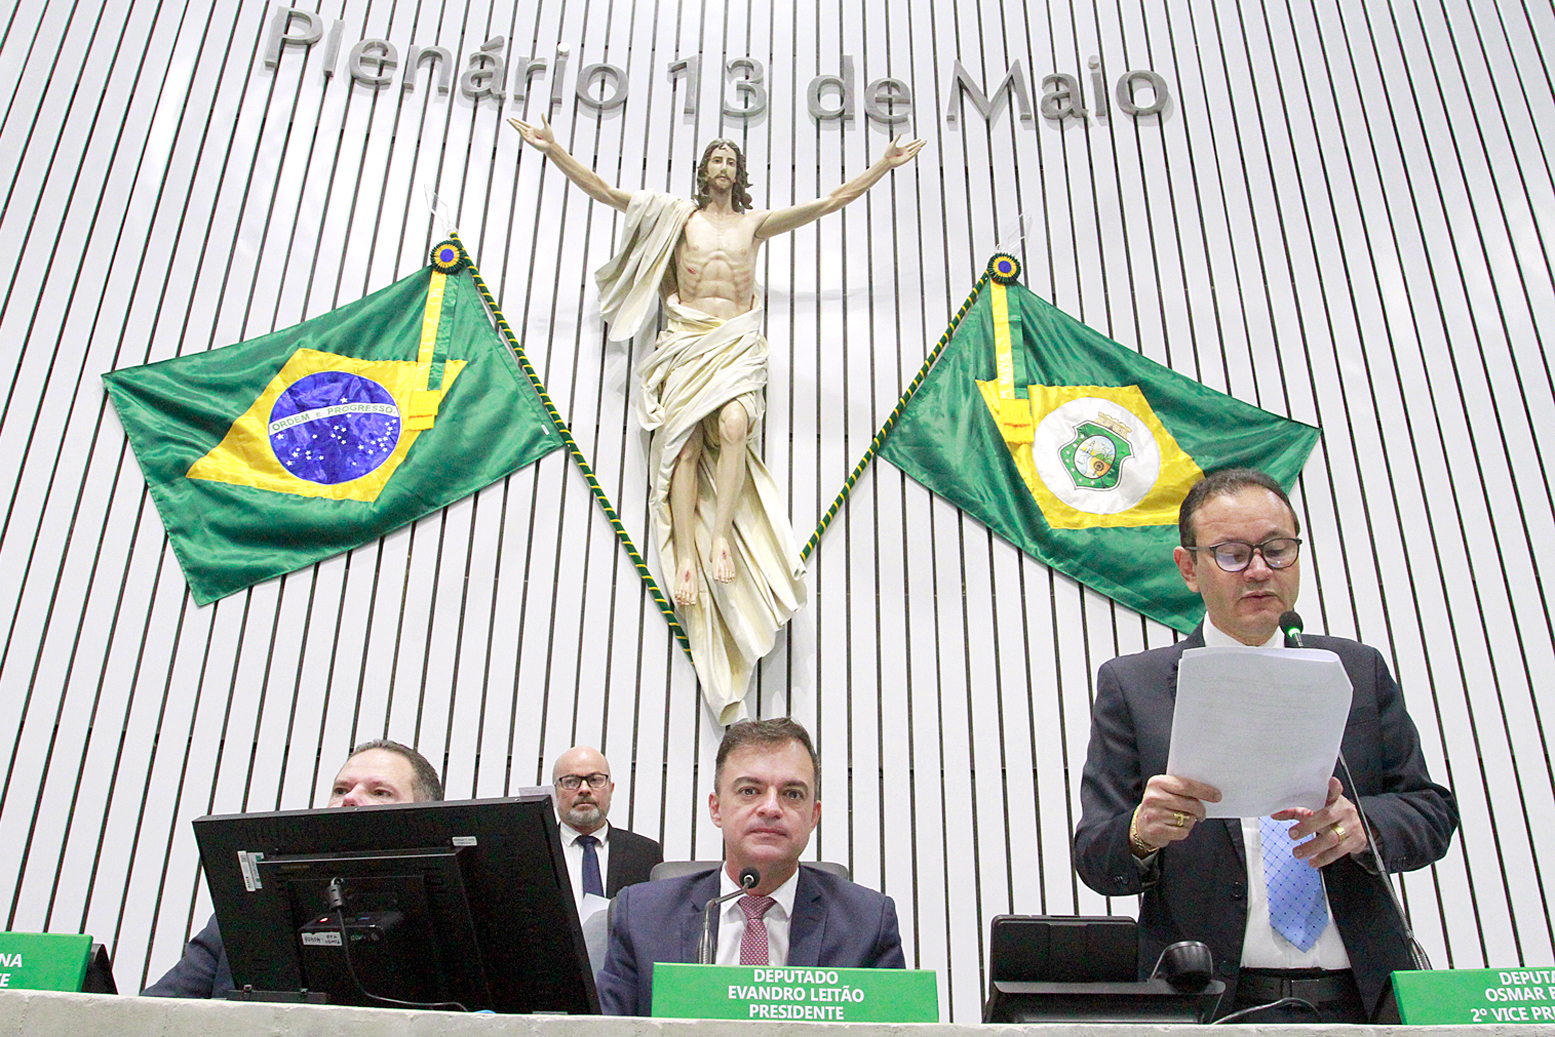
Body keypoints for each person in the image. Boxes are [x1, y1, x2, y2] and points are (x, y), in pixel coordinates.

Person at [509, 118, 923, 723]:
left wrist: (882, 165)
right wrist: (555, 151)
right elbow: (602, 190)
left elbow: (829, 202)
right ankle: (683, 554)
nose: (723, 168)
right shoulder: (676, 217)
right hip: (685, 336)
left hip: (734, 339)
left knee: (733, 428)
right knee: (679, 448)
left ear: (740, 173)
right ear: (703, 171)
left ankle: (722, 533)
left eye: (732, 161)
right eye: (716, 160)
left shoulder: (754, 224)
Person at [1073, 468, 1458, 1023]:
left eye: (1276, 550)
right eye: (1232, 554)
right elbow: (1095, 855)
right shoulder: (1135, 687)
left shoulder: (1356, 669)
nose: (1258, 570)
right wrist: (1140, 834)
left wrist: (1364, 828)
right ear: (1189, 568)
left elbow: (1431, 811)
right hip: (1209, 1000)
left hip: (1364, 995)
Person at [596, 718, 903, 1015]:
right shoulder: (641, 917)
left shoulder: (868, 924)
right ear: (716, 809)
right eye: (749, 791)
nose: (771, 808)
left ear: (813, 816)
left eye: (792, 794)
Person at [141, 739, 444, 999]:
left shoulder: (458, 922)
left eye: (380, 792)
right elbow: (150, 1013)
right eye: (340, 790)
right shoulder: (242, 918)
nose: (349, 798)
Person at [551, 744, 663, 911]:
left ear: (611, 790)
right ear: (555, 792)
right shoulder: (533, 853)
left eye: (595, 780)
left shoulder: (645, 853)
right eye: (571, 781)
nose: (584, 789)